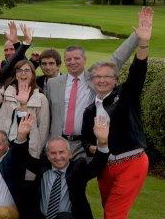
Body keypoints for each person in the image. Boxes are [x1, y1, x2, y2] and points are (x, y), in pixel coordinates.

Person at [80, 7, 153, 219]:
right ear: (92, 80)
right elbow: (86, 140)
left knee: (114, 209)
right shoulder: (90, 110)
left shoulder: (125, 96)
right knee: (111, 209)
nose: (102, 81)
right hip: (105, 166)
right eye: (97, 77)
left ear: (115, 79)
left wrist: (142, 44)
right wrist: (93, 146)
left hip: (131, 161)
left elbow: (137, 76)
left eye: (107, 77)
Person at [12, 118, 109, 219]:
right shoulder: (43, 168)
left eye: (62, 152)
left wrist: (102, 143)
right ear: (48, 156)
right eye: (53, 153)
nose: (58, 157)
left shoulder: (78, 169)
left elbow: (97, 166)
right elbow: (22, 159)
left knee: (64, 218)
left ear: (70, 154)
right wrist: (22, 137)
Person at [45, 27, 140, 158]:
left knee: (79, 177)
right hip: (59, 143)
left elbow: (117, 59)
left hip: (84, 145)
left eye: (76, 58)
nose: (72, 62)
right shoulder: (53, 84)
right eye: (68, 59)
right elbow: (47, 116)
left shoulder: (95, 77)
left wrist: (137, 36)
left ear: (84, 60)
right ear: (64, 62)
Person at [0, 58, 50, 161]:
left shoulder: (40, 98)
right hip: (4, 144)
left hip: (28, 146)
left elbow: (43, 129)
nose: (23, 73)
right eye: (19, 71)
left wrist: (37, 152)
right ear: (15, 74)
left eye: (27, 70)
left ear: (32, 74)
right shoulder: (8, 91)